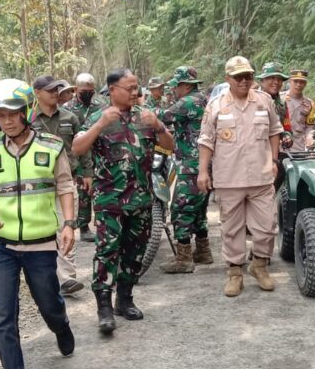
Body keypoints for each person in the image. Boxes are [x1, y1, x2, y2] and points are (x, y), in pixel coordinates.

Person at [0, 79, 79, 369]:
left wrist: (69, 224)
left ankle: (60, 326)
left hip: (40, 244)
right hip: (0, 245)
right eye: (0, 116)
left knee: (48, 302)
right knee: (3, 314)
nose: (7, 121)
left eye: (12, 114)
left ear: (25, 113)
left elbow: (64, 185)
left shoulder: (50, 146)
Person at [73, 69, 174, 334]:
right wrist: (99, 125)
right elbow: (77, 148)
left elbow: (170, 146)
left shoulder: (147, 117)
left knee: (135, 252)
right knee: (107, 252)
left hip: (141, 200)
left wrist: (158, 125)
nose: (134, 92)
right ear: (112, 89)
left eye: (136, 88)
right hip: (109, 201)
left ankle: (125, 299)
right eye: (129, 88)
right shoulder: (98, 117)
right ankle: (104, 308)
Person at [197, 56, 284, 297]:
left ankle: (259, 266)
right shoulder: (215, 105)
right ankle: (235, 272)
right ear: (228, 79)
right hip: (229, 178)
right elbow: (206, 140)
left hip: (261, 176)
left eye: (248, 76)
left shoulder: (264, 102)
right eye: (238, 77)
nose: (244, 81)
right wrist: (203, 171)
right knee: (232, 229)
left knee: (267, 227)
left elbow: (275, 131)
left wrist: (274, 160)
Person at [31, 75, 89, 296]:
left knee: (67, 225)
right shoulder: (29, 120)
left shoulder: (70, 117)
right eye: (49, 90)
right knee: (43, 229)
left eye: (56, 89)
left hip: (67, 181)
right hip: (38, 183)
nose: (55, 93)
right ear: (37, 92)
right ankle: (46, 275)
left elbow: (82, 147)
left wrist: (87, 172)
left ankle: (66, 278)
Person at [159, 66, 211, 273]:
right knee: (198, 209)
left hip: (192, 163)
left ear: (186, 85)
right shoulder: (205, 99)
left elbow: (163, 116)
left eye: (176, 86)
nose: (174, 91)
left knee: (181, 208)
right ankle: (203, 251)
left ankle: (184, 258)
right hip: (204, 162)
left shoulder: (188, 101)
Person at [64, 72, 105, 243]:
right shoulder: (67, 108)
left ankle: (103, 224)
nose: (88, 94)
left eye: (91, 91)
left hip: (101, 153)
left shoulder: (100, 105)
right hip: (80, 154)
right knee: (84, 190)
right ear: (75, 90)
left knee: (103, 188)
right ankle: (84, 226)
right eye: (84, 91)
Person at [284, 69, 315, 150]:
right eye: (295, 81)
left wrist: (310, 135)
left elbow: (310, 126)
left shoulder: (309, 104)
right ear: (290, 81)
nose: (298, 85)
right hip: (280, 144)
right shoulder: (280, 99)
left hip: (298, 147)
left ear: (305, 84)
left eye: (302, 82)